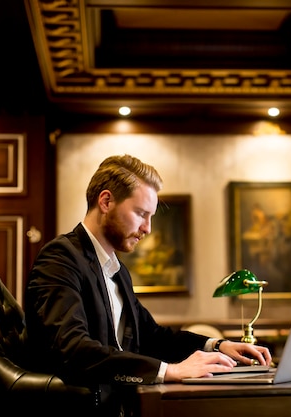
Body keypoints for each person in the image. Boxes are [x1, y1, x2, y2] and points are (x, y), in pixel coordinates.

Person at [24, 154, 272, 415]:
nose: (148, 228)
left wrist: (218, 345)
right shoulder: (60, 258)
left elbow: (153, 336)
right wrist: (170, 371)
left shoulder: (118, 272)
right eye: (141, 214)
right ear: (106, 201)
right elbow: (72, 349)